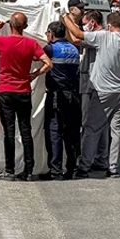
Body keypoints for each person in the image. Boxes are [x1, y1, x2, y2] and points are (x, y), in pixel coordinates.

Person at [64, 10, 120, 178]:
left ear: (110, 25)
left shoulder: (104, 37)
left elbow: (77, 34)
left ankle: (84, 166)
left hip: (101, 91)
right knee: (117, 131)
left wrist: (64, 17)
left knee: (92, 128)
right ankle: (112, 167)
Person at [0, 14, 52, 181]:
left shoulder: (2, 42)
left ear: (10, 24)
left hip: (5, 90)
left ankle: (9, 170)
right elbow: (48, 63)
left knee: (8, 131)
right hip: (23, 90)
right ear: (24, 27)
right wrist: (34, 74)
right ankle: (29, 170)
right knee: (26, 130)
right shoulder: (31, 44)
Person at [42, 21, 82, 180]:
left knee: (54, 132)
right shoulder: (74, 48)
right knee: (71, 133)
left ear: (51, 33)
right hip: (73, 95)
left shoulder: (50, 49)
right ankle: (71, 168)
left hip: (57, 95)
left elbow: (39, 56)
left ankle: (55, 170)